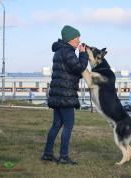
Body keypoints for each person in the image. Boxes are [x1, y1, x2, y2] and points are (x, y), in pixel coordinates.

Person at [41, 25, 88, 165]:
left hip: (58, 94)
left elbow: (70, 72)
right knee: (68, 124)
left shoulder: (59, 51)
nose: (79, 41)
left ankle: (48, 154)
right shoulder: (68, 52)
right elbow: (79, 68)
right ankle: (63, 156)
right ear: (70, 39)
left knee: (56, 125)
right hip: (65, 95)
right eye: (77, 38)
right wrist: (83, 54)